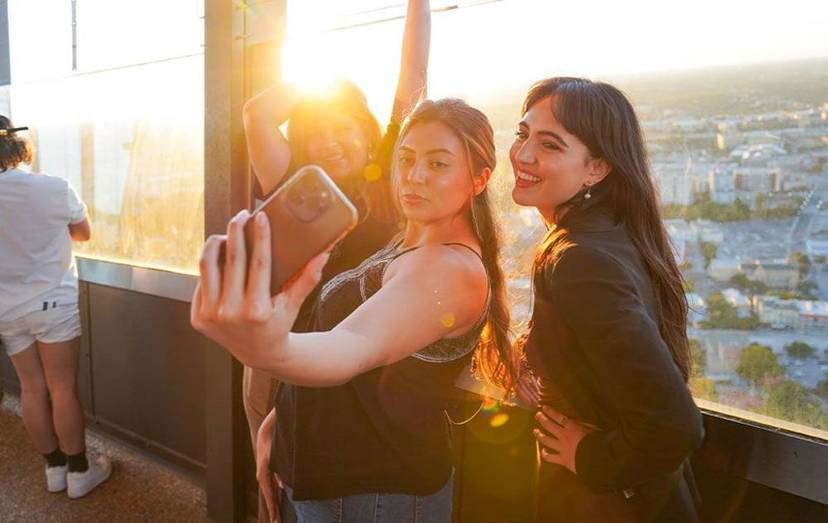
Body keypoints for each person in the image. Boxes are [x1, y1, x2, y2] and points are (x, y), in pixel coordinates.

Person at [192, 98, 516, 522]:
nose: (414, 175)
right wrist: (281, 418)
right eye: (406, 158)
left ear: (479, 179)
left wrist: (268, 349)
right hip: (334, 481)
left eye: (438, 164)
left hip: (375, 496)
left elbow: (350, 346)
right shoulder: (409, 242)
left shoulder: (450, 269)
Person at [240, 3, 431, 518]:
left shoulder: (392, 175)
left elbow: (414, 77)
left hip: (357, 359)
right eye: (315, 135)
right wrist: (319, 83)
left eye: (342, 128)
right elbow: (257, 114)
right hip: (282, 353)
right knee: (276, 488)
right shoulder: (298, 185)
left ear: (367, 131)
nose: (328, 144)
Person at [510, 78, 705, 522]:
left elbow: (676, 424)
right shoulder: (615, 236)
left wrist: (591, 457)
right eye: (523, 134)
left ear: (596, 169)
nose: (522, 154)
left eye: (550, 144)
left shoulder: (579, 260)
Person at [0, 116, 112, 498]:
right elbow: (83, 233)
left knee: (31, 388)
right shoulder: (53, 187)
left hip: (7, 309)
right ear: (16, 145)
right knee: (61, 387)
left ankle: (54, 468)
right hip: (52, 303)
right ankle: (79, 472)